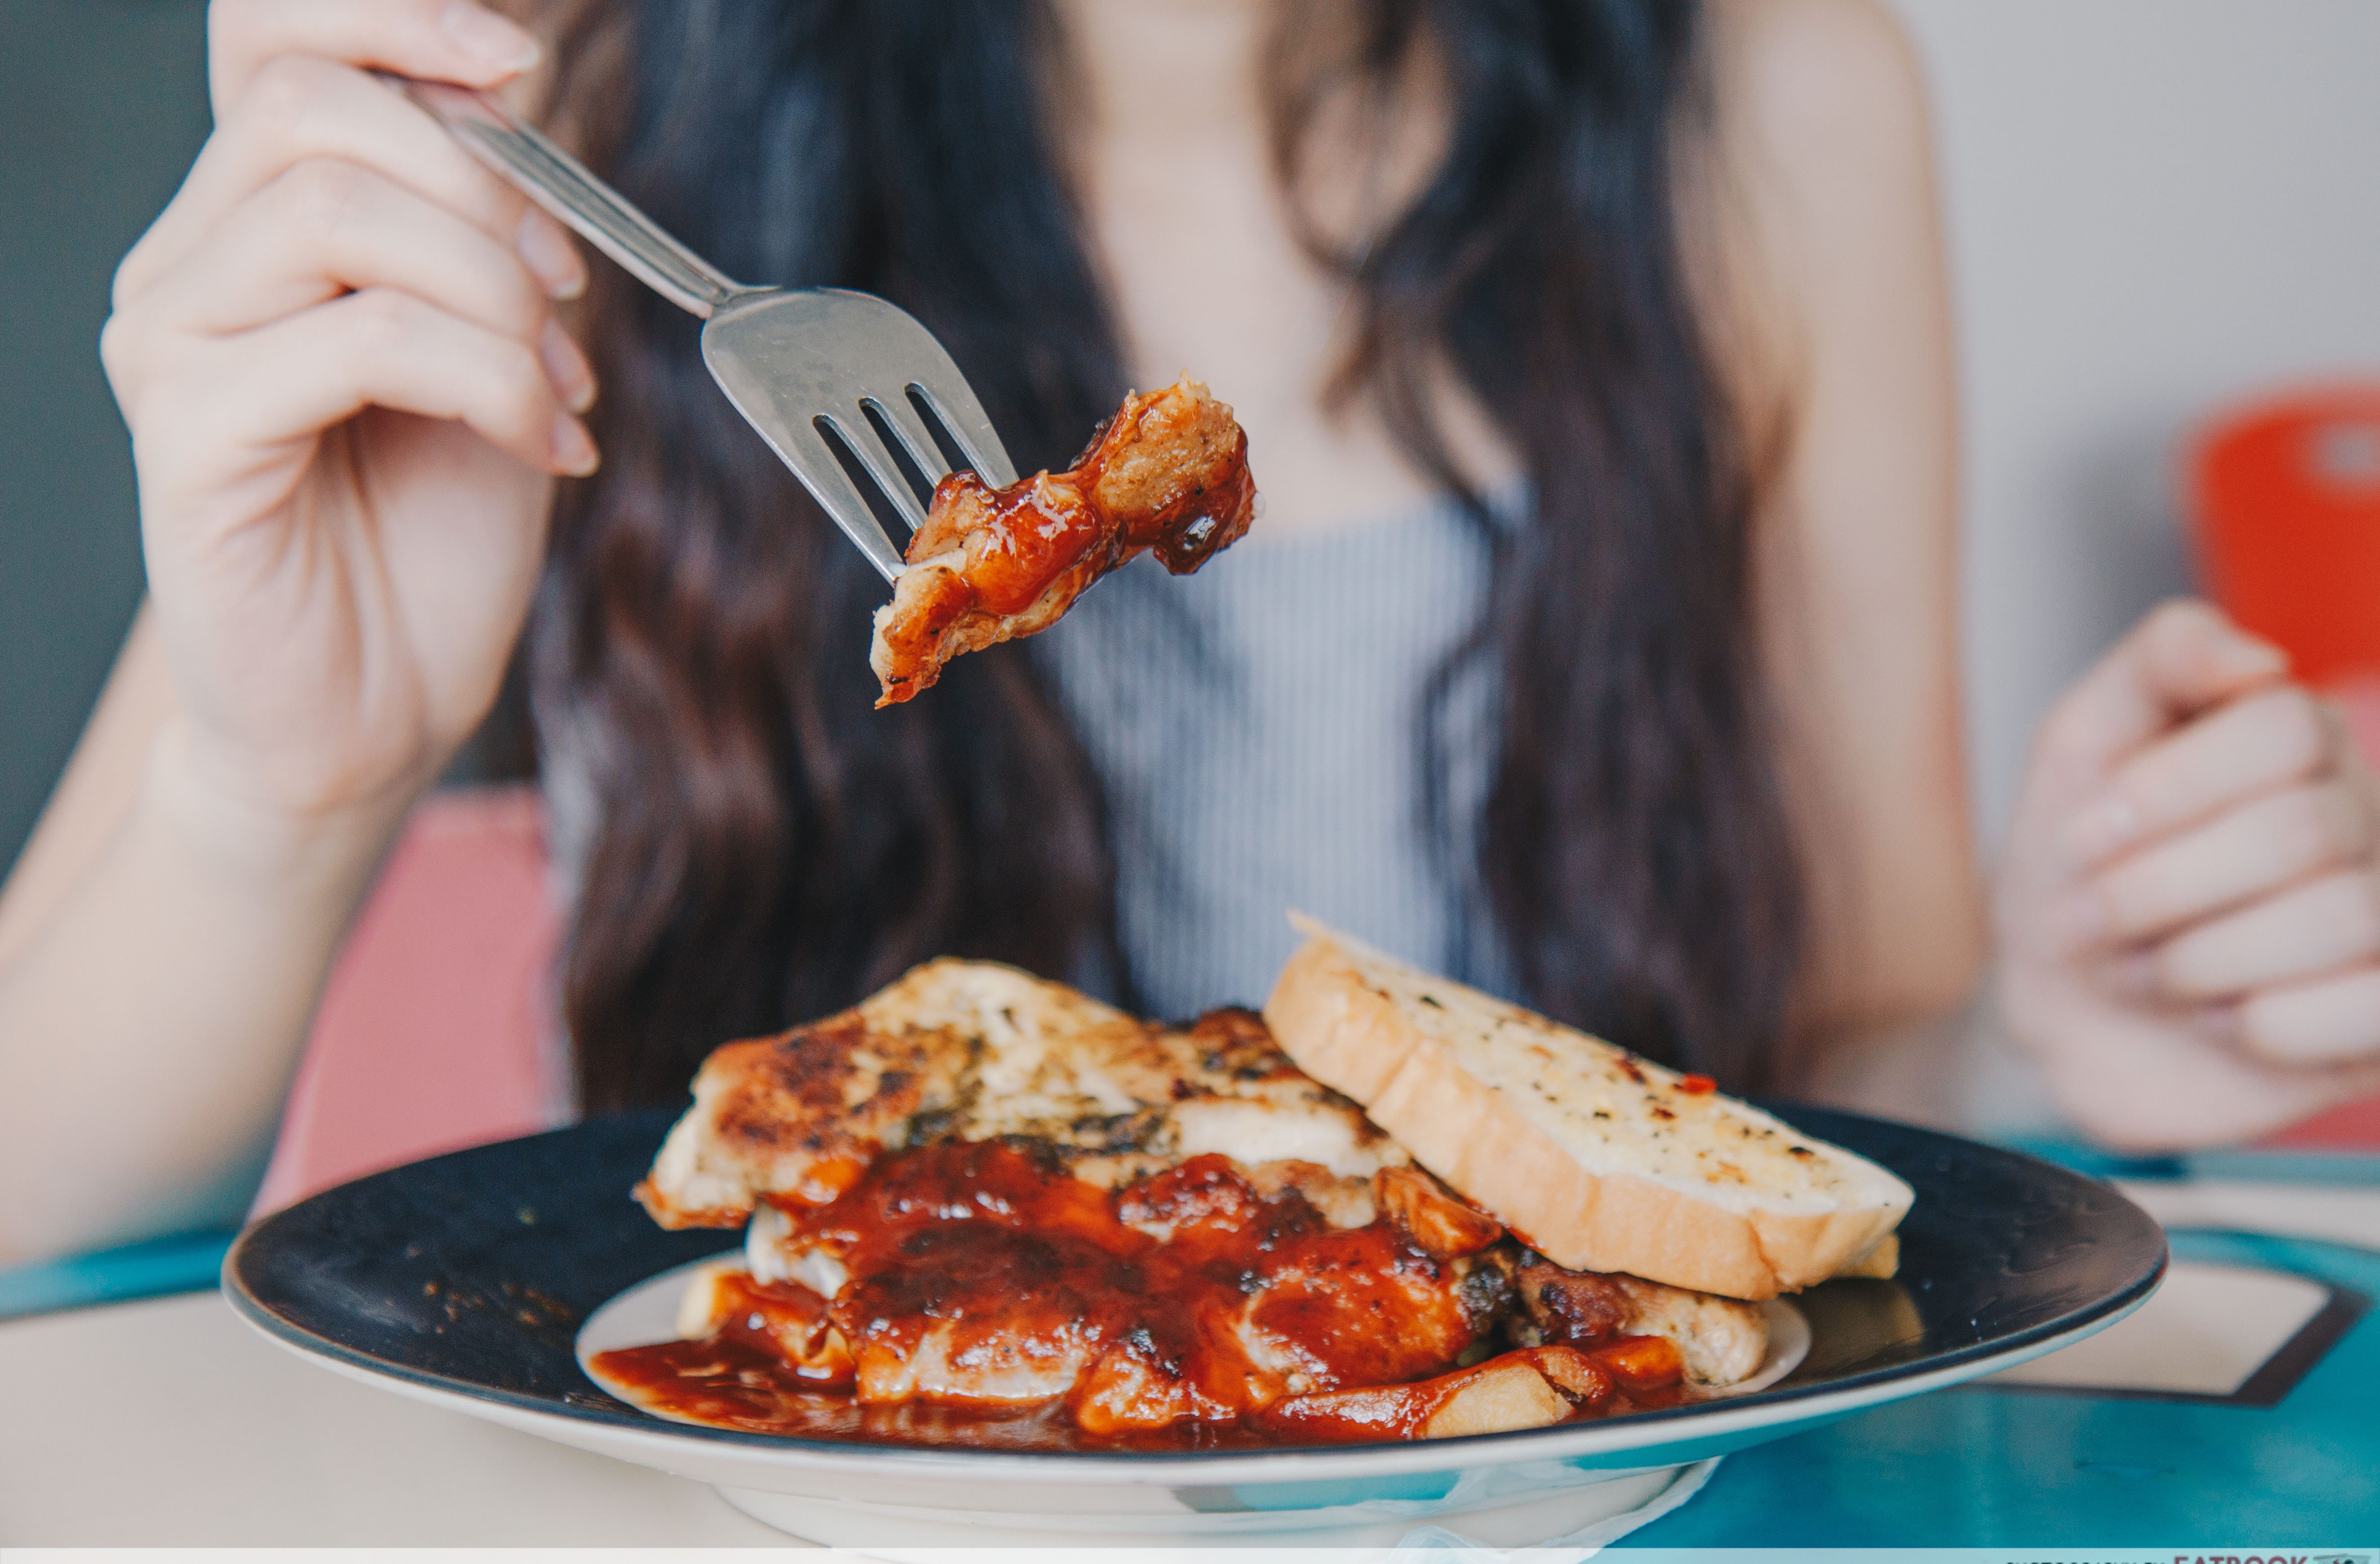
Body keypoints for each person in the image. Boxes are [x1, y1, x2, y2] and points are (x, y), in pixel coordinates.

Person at [1, 0, 2374, 1268]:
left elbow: (1841, 1071)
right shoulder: (559, 113)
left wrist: (2067, 1041)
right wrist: (273, 785)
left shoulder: (1775, 101)